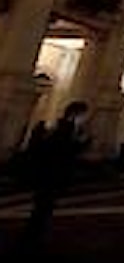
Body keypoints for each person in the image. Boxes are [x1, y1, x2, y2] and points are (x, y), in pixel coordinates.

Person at [21, 101, 90, 247]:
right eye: (82, 115)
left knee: (43, 209)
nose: (84, 119)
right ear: (74, 115)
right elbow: (65, 151)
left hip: (51, 175)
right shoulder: (65, 130)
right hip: (51, 175)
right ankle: (31, 240)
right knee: (42, 209)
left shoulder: (62, 129)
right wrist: (82, 143)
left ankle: (33, 237)